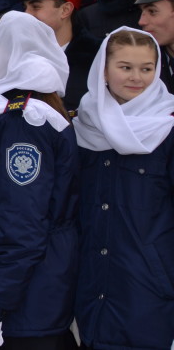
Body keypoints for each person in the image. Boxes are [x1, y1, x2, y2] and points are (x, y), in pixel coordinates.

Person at [0, 12, 79, 349]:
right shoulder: (33, 109)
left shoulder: (26, 119)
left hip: (26, 299)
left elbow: (22, 222)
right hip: (39, 286)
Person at [72, 27, 174, 350]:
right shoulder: (80, 126)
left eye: (146, 68)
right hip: (85, 293)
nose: (137, 78)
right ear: (104, 68)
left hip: (148, 295)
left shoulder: (167, 128)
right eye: (125, 67)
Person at [21, 0, 99, 114]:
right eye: (25, 7)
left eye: (36, 7)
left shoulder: (96, 58)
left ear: (65, 10)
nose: (26, 15)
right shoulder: (18, 54)